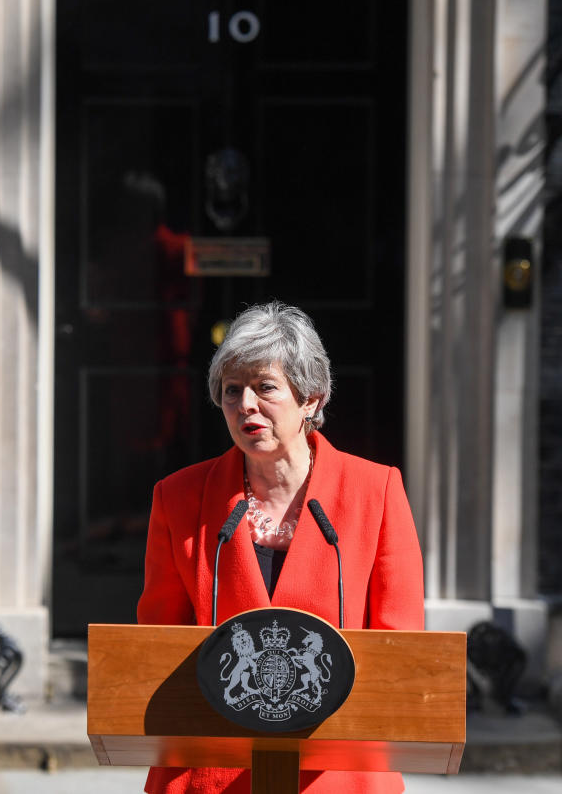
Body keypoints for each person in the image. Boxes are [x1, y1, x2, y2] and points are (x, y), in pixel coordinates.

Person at [137, 301, 425, 794]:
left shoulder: (375, 492)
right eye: (232, 391)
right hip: (211, 772)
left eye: (264, 387)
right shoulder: (179, 498)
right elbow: (154, 648)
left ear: (311, 398)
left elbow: (400, 650)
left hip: (335, 774)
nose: (245, 404)